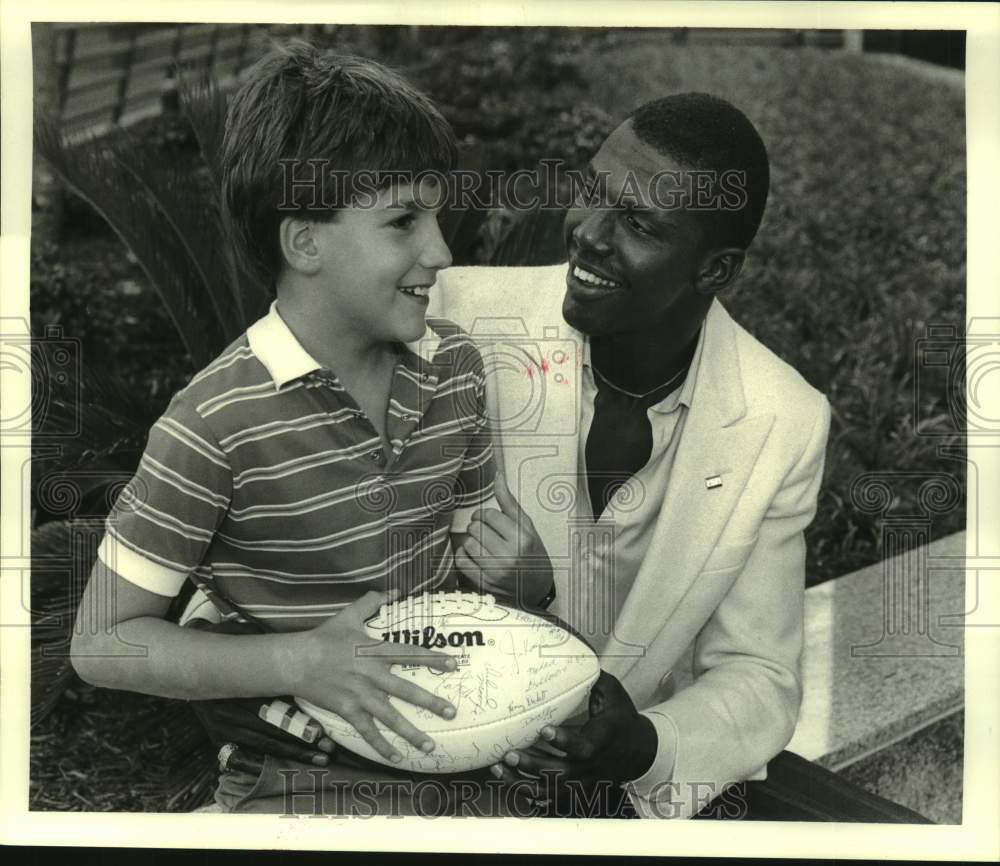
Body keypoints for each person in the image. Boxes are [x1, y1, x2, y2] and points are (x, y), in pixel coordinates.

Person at [177, 90, 932, 822]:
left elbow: (759, 676)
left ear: (715, 271)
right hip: (397, 762)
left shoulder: (781, 419)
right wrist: (259, 678)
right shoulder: (449, 317)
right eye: (593, 191)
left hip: (601, 796)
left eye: (636, 220)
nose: (589, 232)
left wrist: (640, 743)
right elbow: (265, 491)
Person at [69, 42, 554, 815]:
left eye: (435, 216)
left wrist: (527, 578)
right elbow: (102, 643)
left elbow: (477, 566)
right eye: (403, 221)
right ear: (305, 242)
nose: (442, 250)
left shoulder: (455, 366)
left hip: (450, 730)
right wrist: (301, 660)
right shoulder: (213, 424)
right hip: (295, 758)